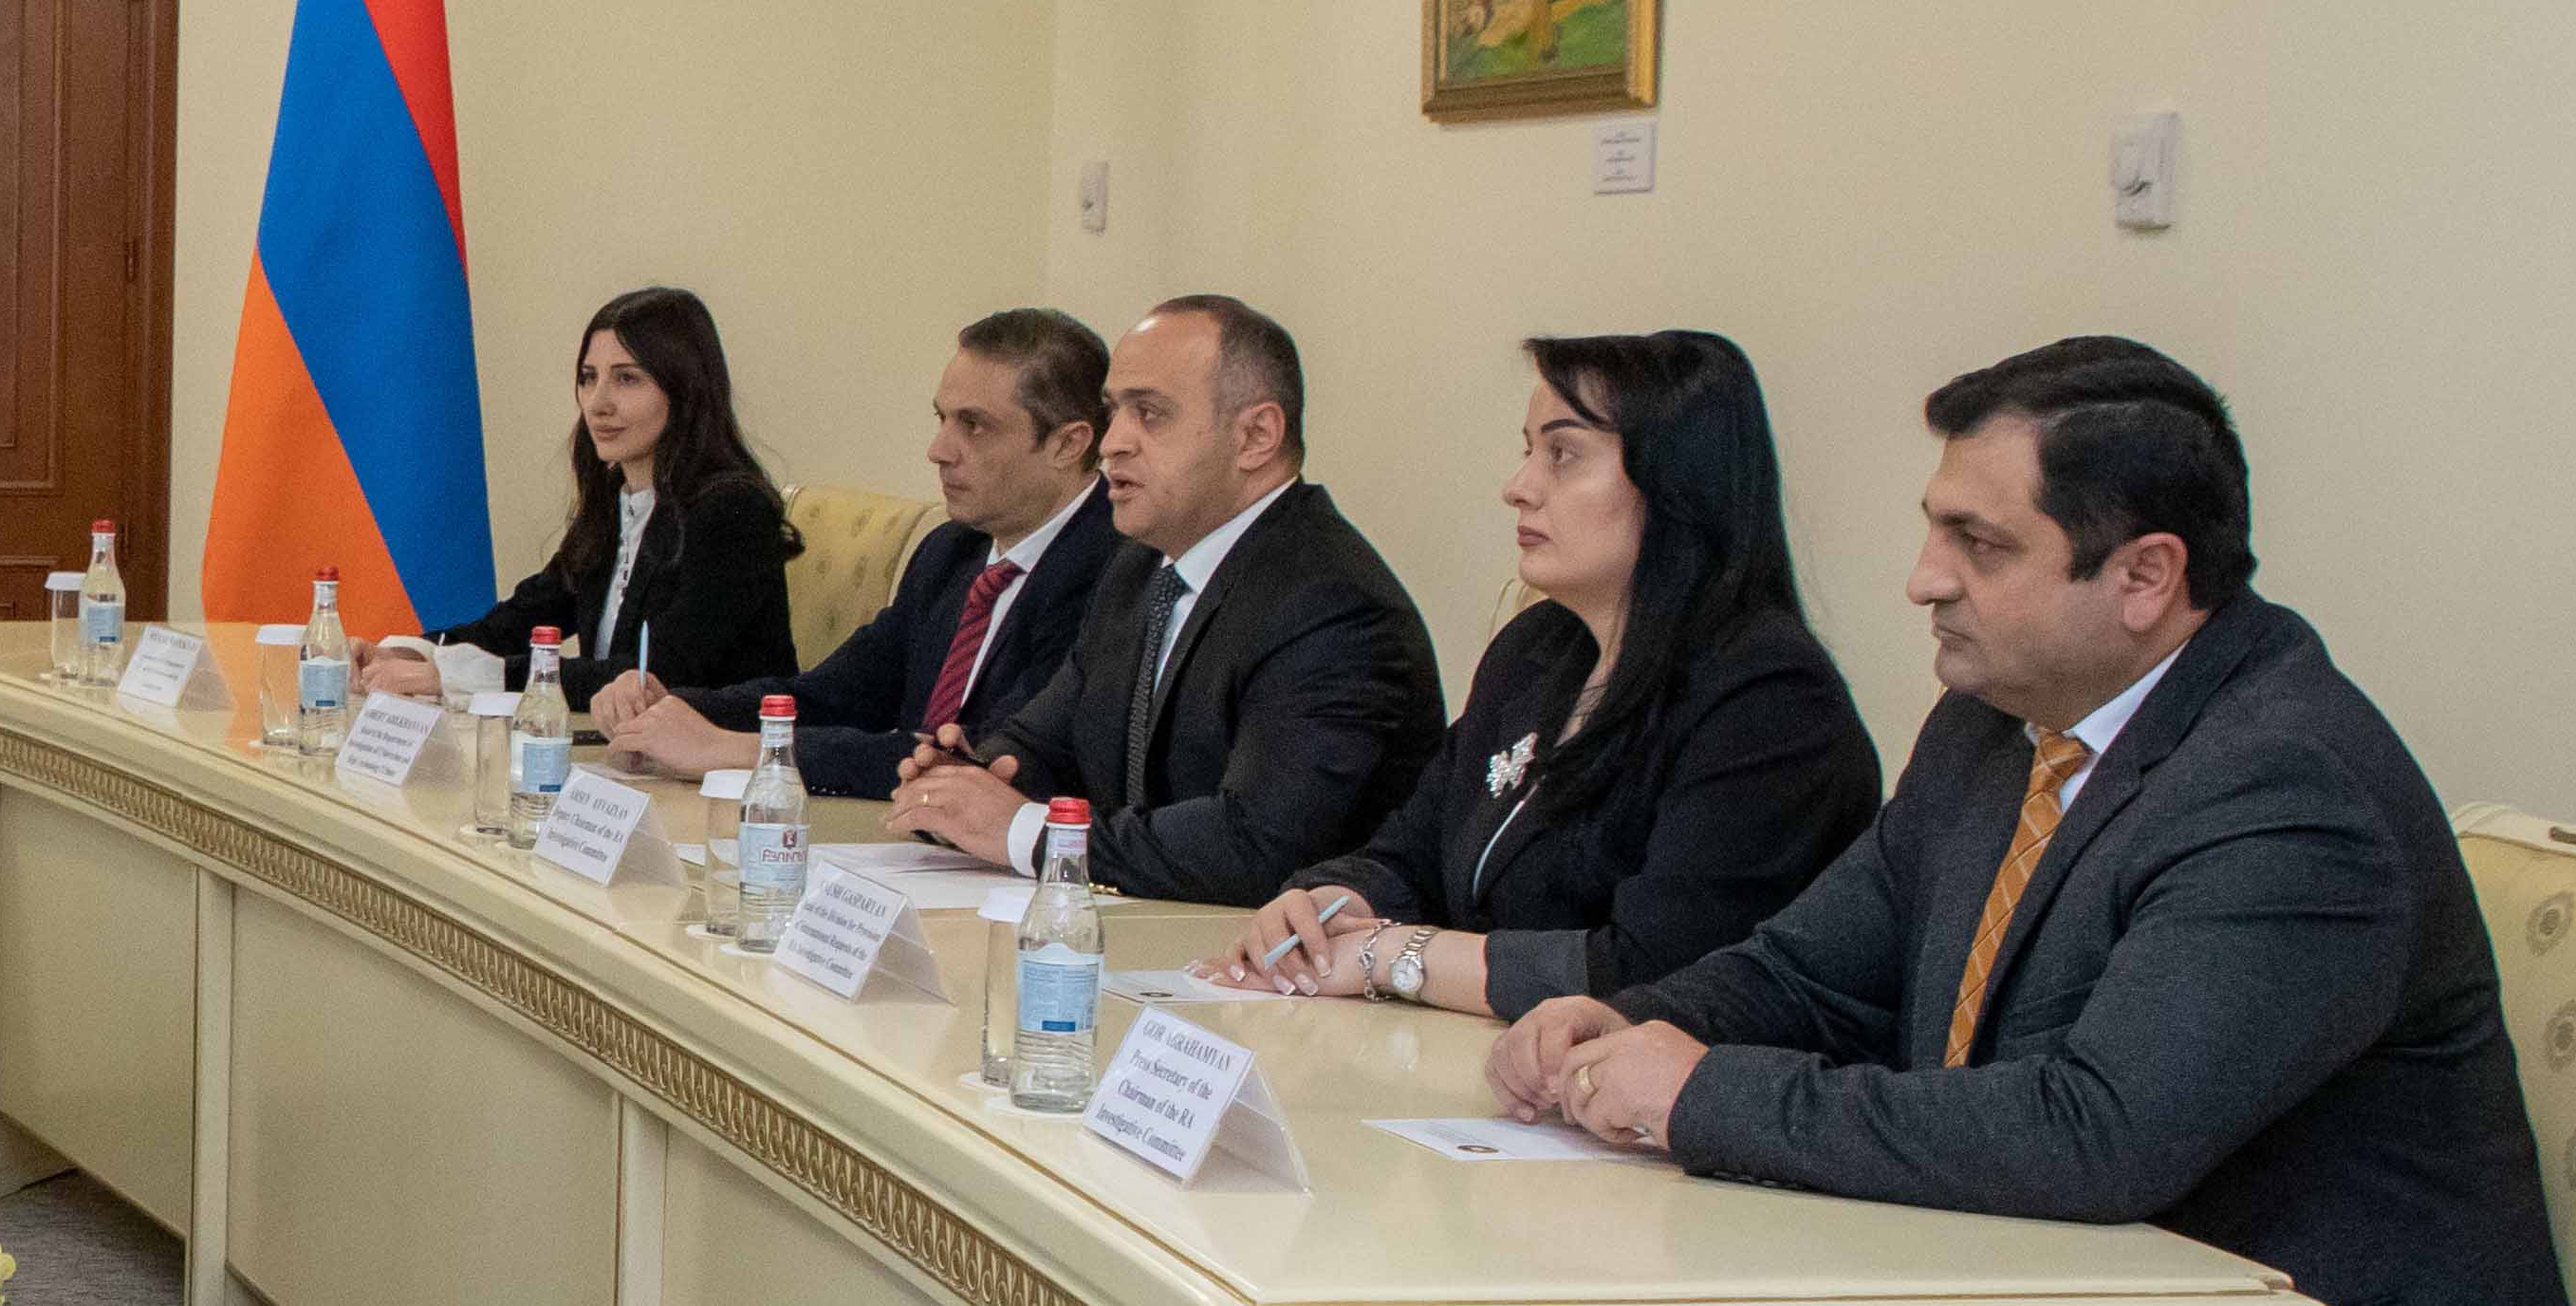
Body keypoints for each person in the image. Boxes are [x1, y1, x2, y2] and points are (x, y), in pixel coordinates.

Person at [1491, 337, 2576, 1306]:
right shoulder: (1995, 724)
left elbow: (2096, 1136)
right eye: (1934, 530)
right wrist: (1617, 1022)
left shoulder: (2285, 793)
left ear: (2144, 576)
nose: (1924, 580)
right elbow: (1814, 971)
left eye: (1980, 544)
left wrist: (1695, 1095)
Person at [1210, 329, 1878, 1017]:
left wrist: (1401, 957)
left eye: (1563, 454)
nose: (1519, 488)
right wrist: (1328, 905)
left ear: (1676, 481)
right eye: (1528, 451)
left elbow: (1661, 969)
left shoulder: (1769, 700)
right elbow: (1413, 852)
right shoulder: (1537, 650)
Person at [890, 291, 1435, 905]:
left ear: (1256, 436)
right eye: (1113, 411)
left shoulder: (1333, 605)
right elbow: (1045, 744)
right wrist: (968, 781)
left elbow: (1257, 845)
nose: (1112, 443)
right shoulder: (1141, 568)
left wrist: (1026, 832)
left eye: (1149, 414)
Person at [598, 308, 1115, 796]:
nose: (938, 450)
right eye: (941, 419)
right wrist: (672, 704)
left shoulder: (1110, 572)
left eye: (973, 425)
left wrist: (740, 751)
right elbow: (836, 694)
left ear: (1067, 445)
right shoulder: (952, 550)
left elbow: (982, 756)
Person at [353, 287, 796, 701]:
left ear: (685, 390)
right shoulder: (616, 504)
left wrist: (463, 676)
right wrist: (409, 653)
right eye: (588, 378)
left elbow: (657, 673)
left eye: (627, 379)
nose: (597, 403)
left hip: (726, 753)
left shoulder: (734, 510)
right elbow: (517, 623)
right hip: (623, 747)